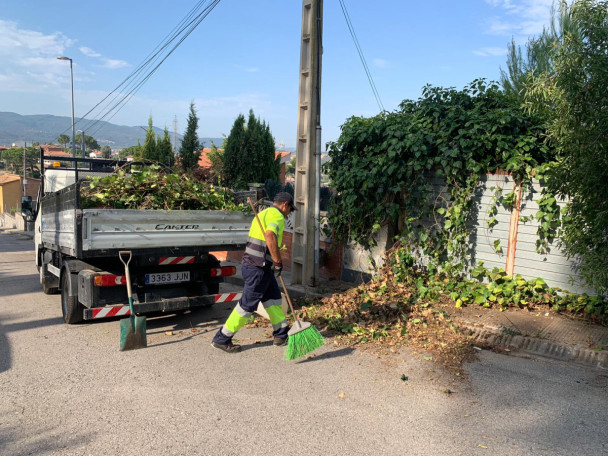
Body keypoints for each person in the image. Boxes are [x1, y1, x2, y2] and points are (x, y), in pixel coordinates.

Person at [211, 192, 297, 353]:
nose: (289, 213)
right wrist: (278, 262)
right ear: (285, 205)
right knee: (247, 305)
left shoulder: (263, 213)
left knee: (273, 299)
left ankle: (281, 334)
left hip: (256, 266)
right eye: (290, 210)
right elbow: (270, 235)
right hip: (259, 267)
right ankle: (222, 338)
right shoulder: (276, 216)